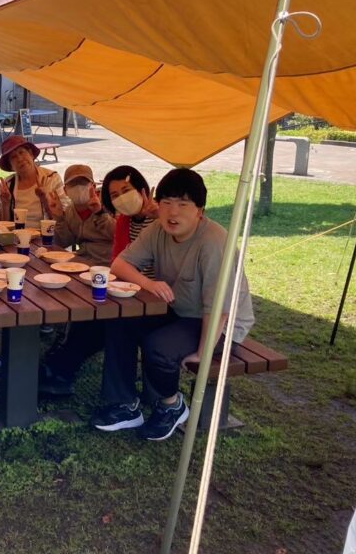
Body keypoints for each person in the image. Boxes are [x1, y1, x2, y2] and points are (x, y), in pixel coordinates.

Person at [91, 168, 255, 441]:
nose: (172, 212)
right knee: (120, 320)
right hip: (180, 312)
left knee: (159, 347)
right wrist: (150, 283)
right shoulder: (157, 230)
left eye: (183, 204)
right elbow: (120, 264)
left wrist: (203, 353)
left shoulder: (214, 242)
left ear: (200, 210)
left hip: (221, 325)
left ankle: (172, 404)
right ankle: (125, 404)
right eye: (166, 202)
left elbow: (219, 309)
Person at [38, 164, 117, 396]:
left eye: (84, 183)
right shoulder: (71, 211)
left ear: (93, 186)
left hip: (108, 272)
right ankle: (60, 355)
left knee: (93, 321)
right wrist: (57, 216)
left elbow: (117, 236)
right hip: (80, 270)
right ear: (66, 189)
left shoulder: (107, 206)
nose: (79, 189)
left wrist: (100, 213)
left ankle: (62, 365)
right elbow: (62, 241)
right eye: (73, 184)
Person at [0, 135, 63, 229]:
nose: (20, 159)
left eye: (21, 152)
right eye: (13, 157)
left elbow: (62, 220)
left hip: (46, 236)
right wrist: (5, 203)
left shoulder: (51, 178)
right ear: (11, 166)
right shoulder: (7, 184)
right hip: (16, 236)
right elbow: (2, 227)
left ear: (31, 154)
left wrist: (45, 199)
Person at [101, 165, 159, 274]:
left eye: (126, 191)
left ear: (140, 189)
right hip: (129, 282)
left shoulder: (159, 215)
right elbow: (117, 259)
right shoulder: (123, 221)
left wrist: (160, 217)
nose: (122, 198)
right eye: (115, 195)